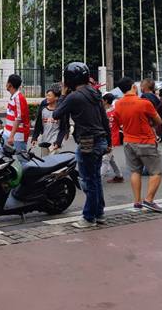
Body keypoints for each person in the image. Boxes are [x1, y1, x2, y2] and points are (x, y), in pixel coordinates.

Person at [53, 62, 110, 229]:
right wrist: (109, 142)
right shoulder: (95, 93)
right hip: (100, 140)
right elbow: (104, 119)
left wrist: (63, 94)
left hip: (87, 143)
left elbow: (56, 114)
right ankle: (99, 214)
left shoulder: (74, 96)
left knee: (89, 181)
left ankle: (88, 217)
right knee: (96, 180)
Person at [114, 77, 162, 212]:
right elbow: (158, 121)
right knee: (157, 171)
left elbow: (118, 123)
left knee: (135, 171)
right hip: (145, 142)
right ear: (133, 87)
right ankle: (149, 200)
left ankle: (137, 202)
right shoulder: (144, 103)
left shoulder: (118, 104)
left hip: (128, 141)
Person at [141, 78, 162, 173]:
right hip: (146, 128)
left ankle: (153, 167)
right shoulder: (142, 98)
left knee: (151, 149)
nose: (140, 88)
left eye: (142, 86)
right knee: (150, 149)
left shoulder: (161, 101)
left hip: (156, 129)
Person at [31, 88, 67, 156]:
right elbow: (38, 125)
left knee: (53, 162)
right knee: (44, 162)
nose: (47, 97)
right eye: (46, 95)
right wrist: (34, 138)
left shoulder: (60, 111)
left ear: (56, 97)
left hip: (54, 142)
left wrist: (58, 142)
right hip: (44, 140)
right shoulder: (43, 110)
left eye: (49, 96)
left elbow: (63, 129)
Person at [3, 74, 30, 152]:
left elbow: (18, 118)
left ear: (10, 85)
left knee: (22, 160)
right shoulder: (13, 97)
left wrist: (11, 136)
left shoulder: (18, 98)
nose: (6, 84)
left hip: (18, 136)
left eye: (7, 82)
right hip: (8, 133)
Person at [101, 93, 124, 183]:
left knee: (105, 159)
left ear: (106, 101)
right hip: (104, 138)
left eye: (102, 99)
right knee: (111, 158)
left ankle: (98, 180)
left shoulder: (115, 112)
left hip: (112, 139)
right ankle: (119, 176)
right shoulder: (102, 112)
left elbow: (121, 124)